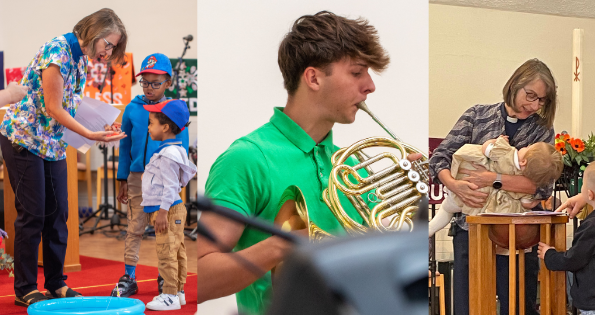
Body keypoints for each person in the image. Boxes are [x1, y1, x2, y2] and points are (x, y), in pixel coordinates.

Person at [198, 11, 420, 315]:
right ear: (313, 77)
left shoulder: (353, 166)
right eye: (357, 73)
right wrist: (281, 246)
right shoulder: (247, 158)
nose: (370, 86)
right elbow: (200, 281)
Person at [0, 8, 127, 307]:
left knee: (58, 215)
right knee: (33, 215)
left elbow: (70, 102)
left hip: (52, 143)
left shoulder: (80, 58)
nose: (109, 52)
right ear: (94, 32)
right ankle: (25, 287)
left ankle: (56, 283)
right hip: (24, 139)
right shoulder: (58, 50)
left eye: (113, 47)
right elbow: (55, 108)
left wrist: (100, 125)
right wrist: (90, 135)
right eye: (107, 44)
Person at [430, 58, 558, 315]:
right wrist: (455, 185)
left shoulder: (542, 131)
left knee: (518, 305)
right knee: (469, 305)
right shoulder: (477, 115)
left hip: (517, 235)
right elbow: (439, 159)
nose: (533, 105)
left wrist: (492, 179)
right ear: (515, 84)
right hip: (471, 229)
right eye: (530, 95)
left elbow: (541, 187)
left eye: (541, 100)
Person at [113, 53, 189, 297]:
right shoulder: (132, 109)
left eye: (156, 83)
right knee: (134, 228)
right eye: (145, 82)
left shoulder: (173, 111)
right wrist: (122, 178)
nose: (149, 88)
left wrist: (176, 185)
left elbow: (182, 151)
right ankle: (129, 277)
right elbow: (125, 146)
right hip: (137, 179)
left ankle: (164, 277)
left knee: (165, 231)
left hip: (164, 181)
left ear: (168, 82)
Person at [538, 160, 595, 315]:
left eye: (582, 185)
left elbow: (573, 259)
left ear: (590, 194)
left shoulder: (592, 226)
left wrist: (549, 255)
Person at [429, 137, 563, 236]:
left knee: (447, 209)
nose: (525, 145)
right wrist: (534, 202)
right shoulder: (524, 179)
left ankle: (429, 229)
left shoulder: (507, 152)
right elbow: (526, 203)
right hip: (480, 204)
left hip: (468, 187)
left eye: (528, 148)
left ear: (523, 161)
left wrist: (495, 141)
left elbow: (485, 148)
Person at [140, 99, 195, 311]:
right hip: (173, 208)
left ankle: (170, 295)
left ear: (165, 127)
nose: (148, 127)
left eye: (151, 122)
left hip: (169, 209)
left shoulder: (168, 155)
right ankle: (178, 291)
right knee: (177, 250)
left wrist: (162, 212)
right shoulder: (174, 150)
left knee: (166, 253)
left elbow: (172, 187)